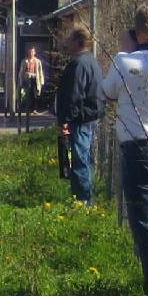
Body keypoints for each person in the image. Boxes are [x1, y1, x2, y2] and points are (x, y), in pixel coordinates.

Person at [101, 5, 148, 296]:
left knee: (147, 218)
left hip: (140, 147)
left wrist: (127, 49)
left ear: (140, 31)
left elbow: (106, 92)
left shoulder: (125, 62)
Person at [56, 25, 102, 205]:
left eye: (70, 40)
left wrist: (66, 120)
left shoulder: (79, 64)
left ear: (78, 41)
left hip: (80, 120)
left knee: (80, 161)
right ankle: (83, 198)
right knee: (82, 159)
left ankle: (83, 202)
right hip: (87, 118)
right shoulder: (90, 61)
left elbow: (74, 95)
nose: (67, 43)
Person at [20, 46, 46, 125]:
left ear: (34, 53)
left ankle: (34, 109)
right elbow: (21, 71)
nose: (31, 53)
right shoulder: (25, 61)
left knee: (35, 94)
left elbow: (40, 71)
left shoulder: (37, 61)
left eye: (32, 52)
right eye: (30, 52)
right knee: (27, 94)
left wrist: (42, 81)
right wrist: (21, 79)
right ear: (28, 52)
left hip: (35, 79)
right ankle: (28, 108)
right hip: (27, 80)